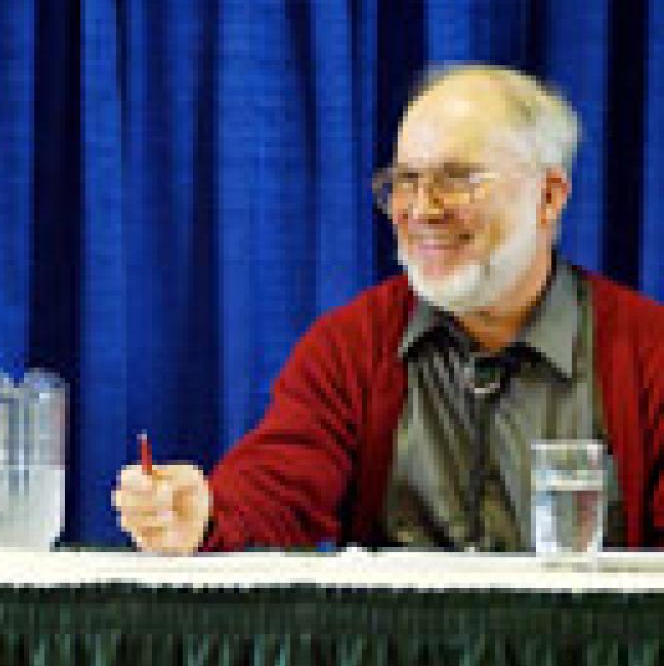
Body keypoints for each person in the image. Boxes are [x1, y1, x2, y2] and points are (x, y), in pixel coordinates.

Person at [113, 65, 664, 553]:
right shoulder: (350, 345)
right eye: (405, 181)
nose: (422, 209)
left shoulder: (648, 349)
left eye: (457, 179)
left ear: (549, 197)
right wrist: (206, 513)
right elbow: (278, 486)